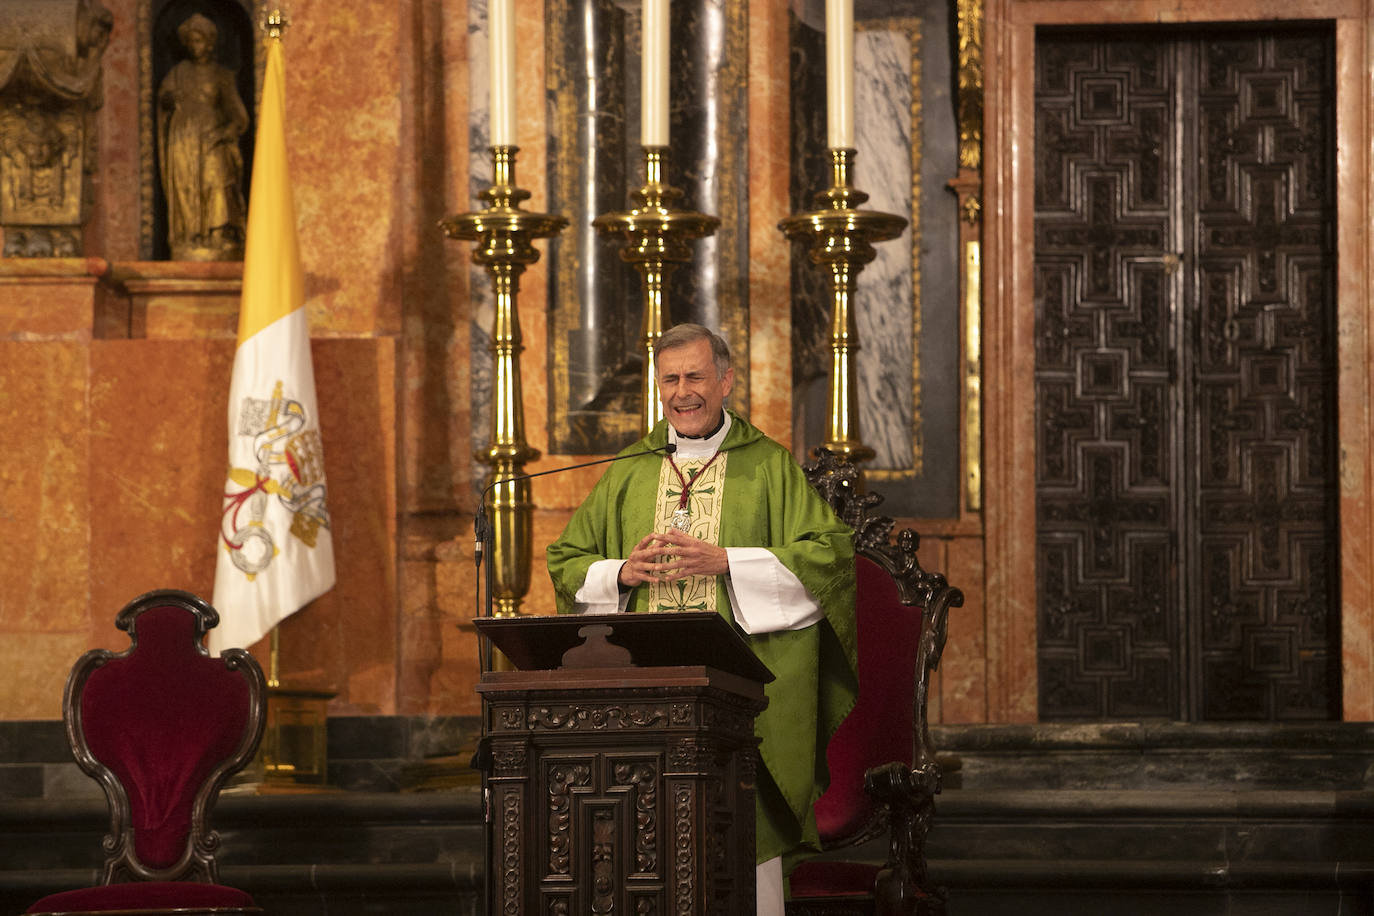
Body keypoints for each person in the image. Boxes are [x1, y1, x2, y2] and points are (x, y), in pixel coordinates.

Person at [546, 323, 858, 914]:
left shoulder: (767, 466)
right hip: (645, 696)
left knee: (743, 843)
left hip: (741, 697)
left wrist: (727, 562)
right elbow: (566, 560)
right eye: (670, 379)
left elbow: (829, 558)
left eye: (695, 376)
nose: (682, 392)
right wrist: (621, 573)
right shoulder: (631, 467)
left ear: (726, 381)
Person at [157, 13, 248, 261]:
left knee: (217, 180)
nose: (194, 46)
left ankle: (219, 232)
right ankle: (190, 234)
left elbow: (239, 117)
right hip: (184, 141)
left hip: (212, 140)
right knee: (186, 186)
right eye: (190, 41)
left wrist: (222, 134)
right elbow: (163, 100)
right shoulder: (178, 73)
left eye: (199, 41)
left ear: (209, 43)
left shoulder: (222, 76)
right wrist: (168, 101)